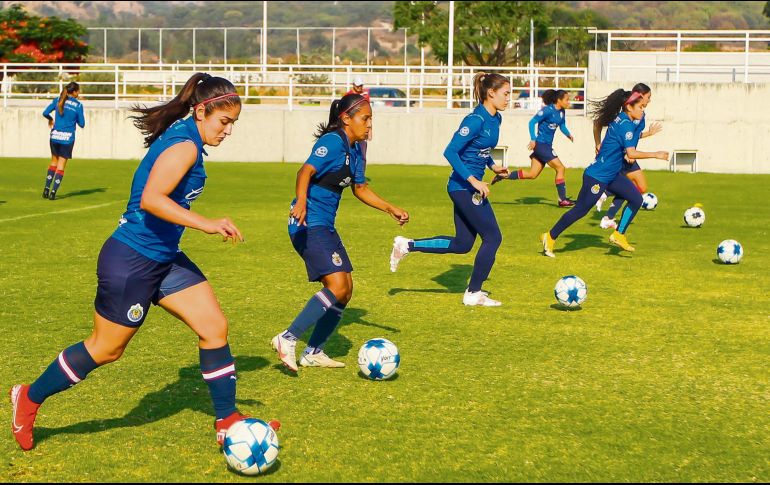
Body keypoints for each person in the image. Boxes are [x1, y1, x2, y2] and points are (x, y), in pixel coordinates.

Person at [10, 73, 254, 452]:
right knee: (106, 349)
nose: (228, 131)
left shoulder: (188, 138)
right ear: (202, 110)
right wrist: (208, 224)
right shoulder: (184, 145)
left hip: (164, 258)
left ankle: (228, 419)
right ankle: (28, 397)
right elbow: (152, 199)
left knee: (213, 326)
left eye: (233, 124)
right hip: (132, 259)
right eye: (225, 122)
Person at [271, 93, 409, 372]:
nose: (369, 125)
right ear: (346, 118)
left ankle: (313, 352)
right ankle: (287, 338)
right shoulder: (332, 142)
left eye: (371, 119)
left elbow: (360, 189)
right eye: (365, 119)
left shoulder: (357, 149)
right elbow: (305, 171)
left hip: (325, 225)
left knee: (345, 291)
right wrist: (300, 201)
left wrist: (390, 208)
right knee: (336, 286)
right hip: (307, 222)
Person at [389, 72, 510, 307]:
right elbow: (450, 152)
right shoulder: (475, 119)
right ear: (491, 93)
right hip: (461, 187)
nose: (509, 98)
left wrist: (494, 166)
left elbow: (480, 151)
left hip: (469, 187)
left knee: (463, 244)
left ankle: (406, 245)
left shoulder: (496, 119)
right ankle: (473, 293)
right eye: (506, 94)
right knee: (493, 237)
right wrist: (474, 180)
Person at [540, 89, 669, 257]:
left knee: (636, 199)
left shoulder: (626, 120)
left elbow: (625, 142)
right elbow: (631, 153)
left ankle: (618, 234)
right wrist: (656, 154)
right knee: (580, 211)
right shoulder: (625, 125)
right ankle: (549, 236)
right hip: (597, 176)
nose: (643, 110)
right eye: (640, 107)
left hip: (612, 175)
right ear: (629, 107)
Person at [593, 83, 663, 229]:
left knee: (638, 187)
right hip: (625, 157)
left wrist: (648, 133)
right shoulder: (627, 115)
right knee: (638, 187)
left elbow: (633, 136)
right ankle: (605, 195)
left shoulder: (640, 114)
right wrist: (598, 143)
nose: (649, 100)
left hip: (629, 154)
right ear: (640, 96)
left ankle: (608, 211)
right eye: (648, 97)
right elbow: (605, 127)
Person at [491, 89, 576, 207]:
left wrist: (568, 134)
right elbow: (532, 122)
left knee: (532, 174)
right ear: (559, 100)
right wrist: (533, 139)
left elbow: (562, 125)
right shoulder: (547, 111)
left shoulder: (561, 112)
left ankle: (504, 175)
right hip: (541, 145)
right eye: (567, 100)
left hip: (545, 146)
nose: (569, 102)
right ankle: (562, 200)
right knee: (560, 168)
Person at [42, 81, 85, 200]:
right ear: (75, 92)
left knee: (53, 162)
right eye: (78, 90)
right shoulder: (78, 105)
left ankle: (46, 189)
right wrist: (73, 118)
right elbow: (82, 124)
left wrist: (51, 119)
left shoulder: (58, 99)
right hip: (67, 138)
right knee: (61, 166)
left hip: (55, 136)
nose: (79, 93)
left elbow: (45, 112)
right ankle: (53, 193)